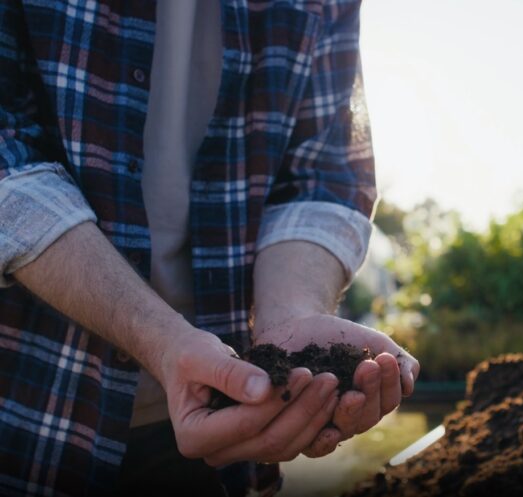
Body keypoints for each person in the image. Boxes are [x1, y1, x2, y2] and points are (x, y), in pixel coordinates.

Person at [0, 1, 419, 496]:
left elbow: (322, 181)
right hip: (29, 406)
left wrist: (290, 322)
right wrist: (160, 339)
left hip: (226, 427)